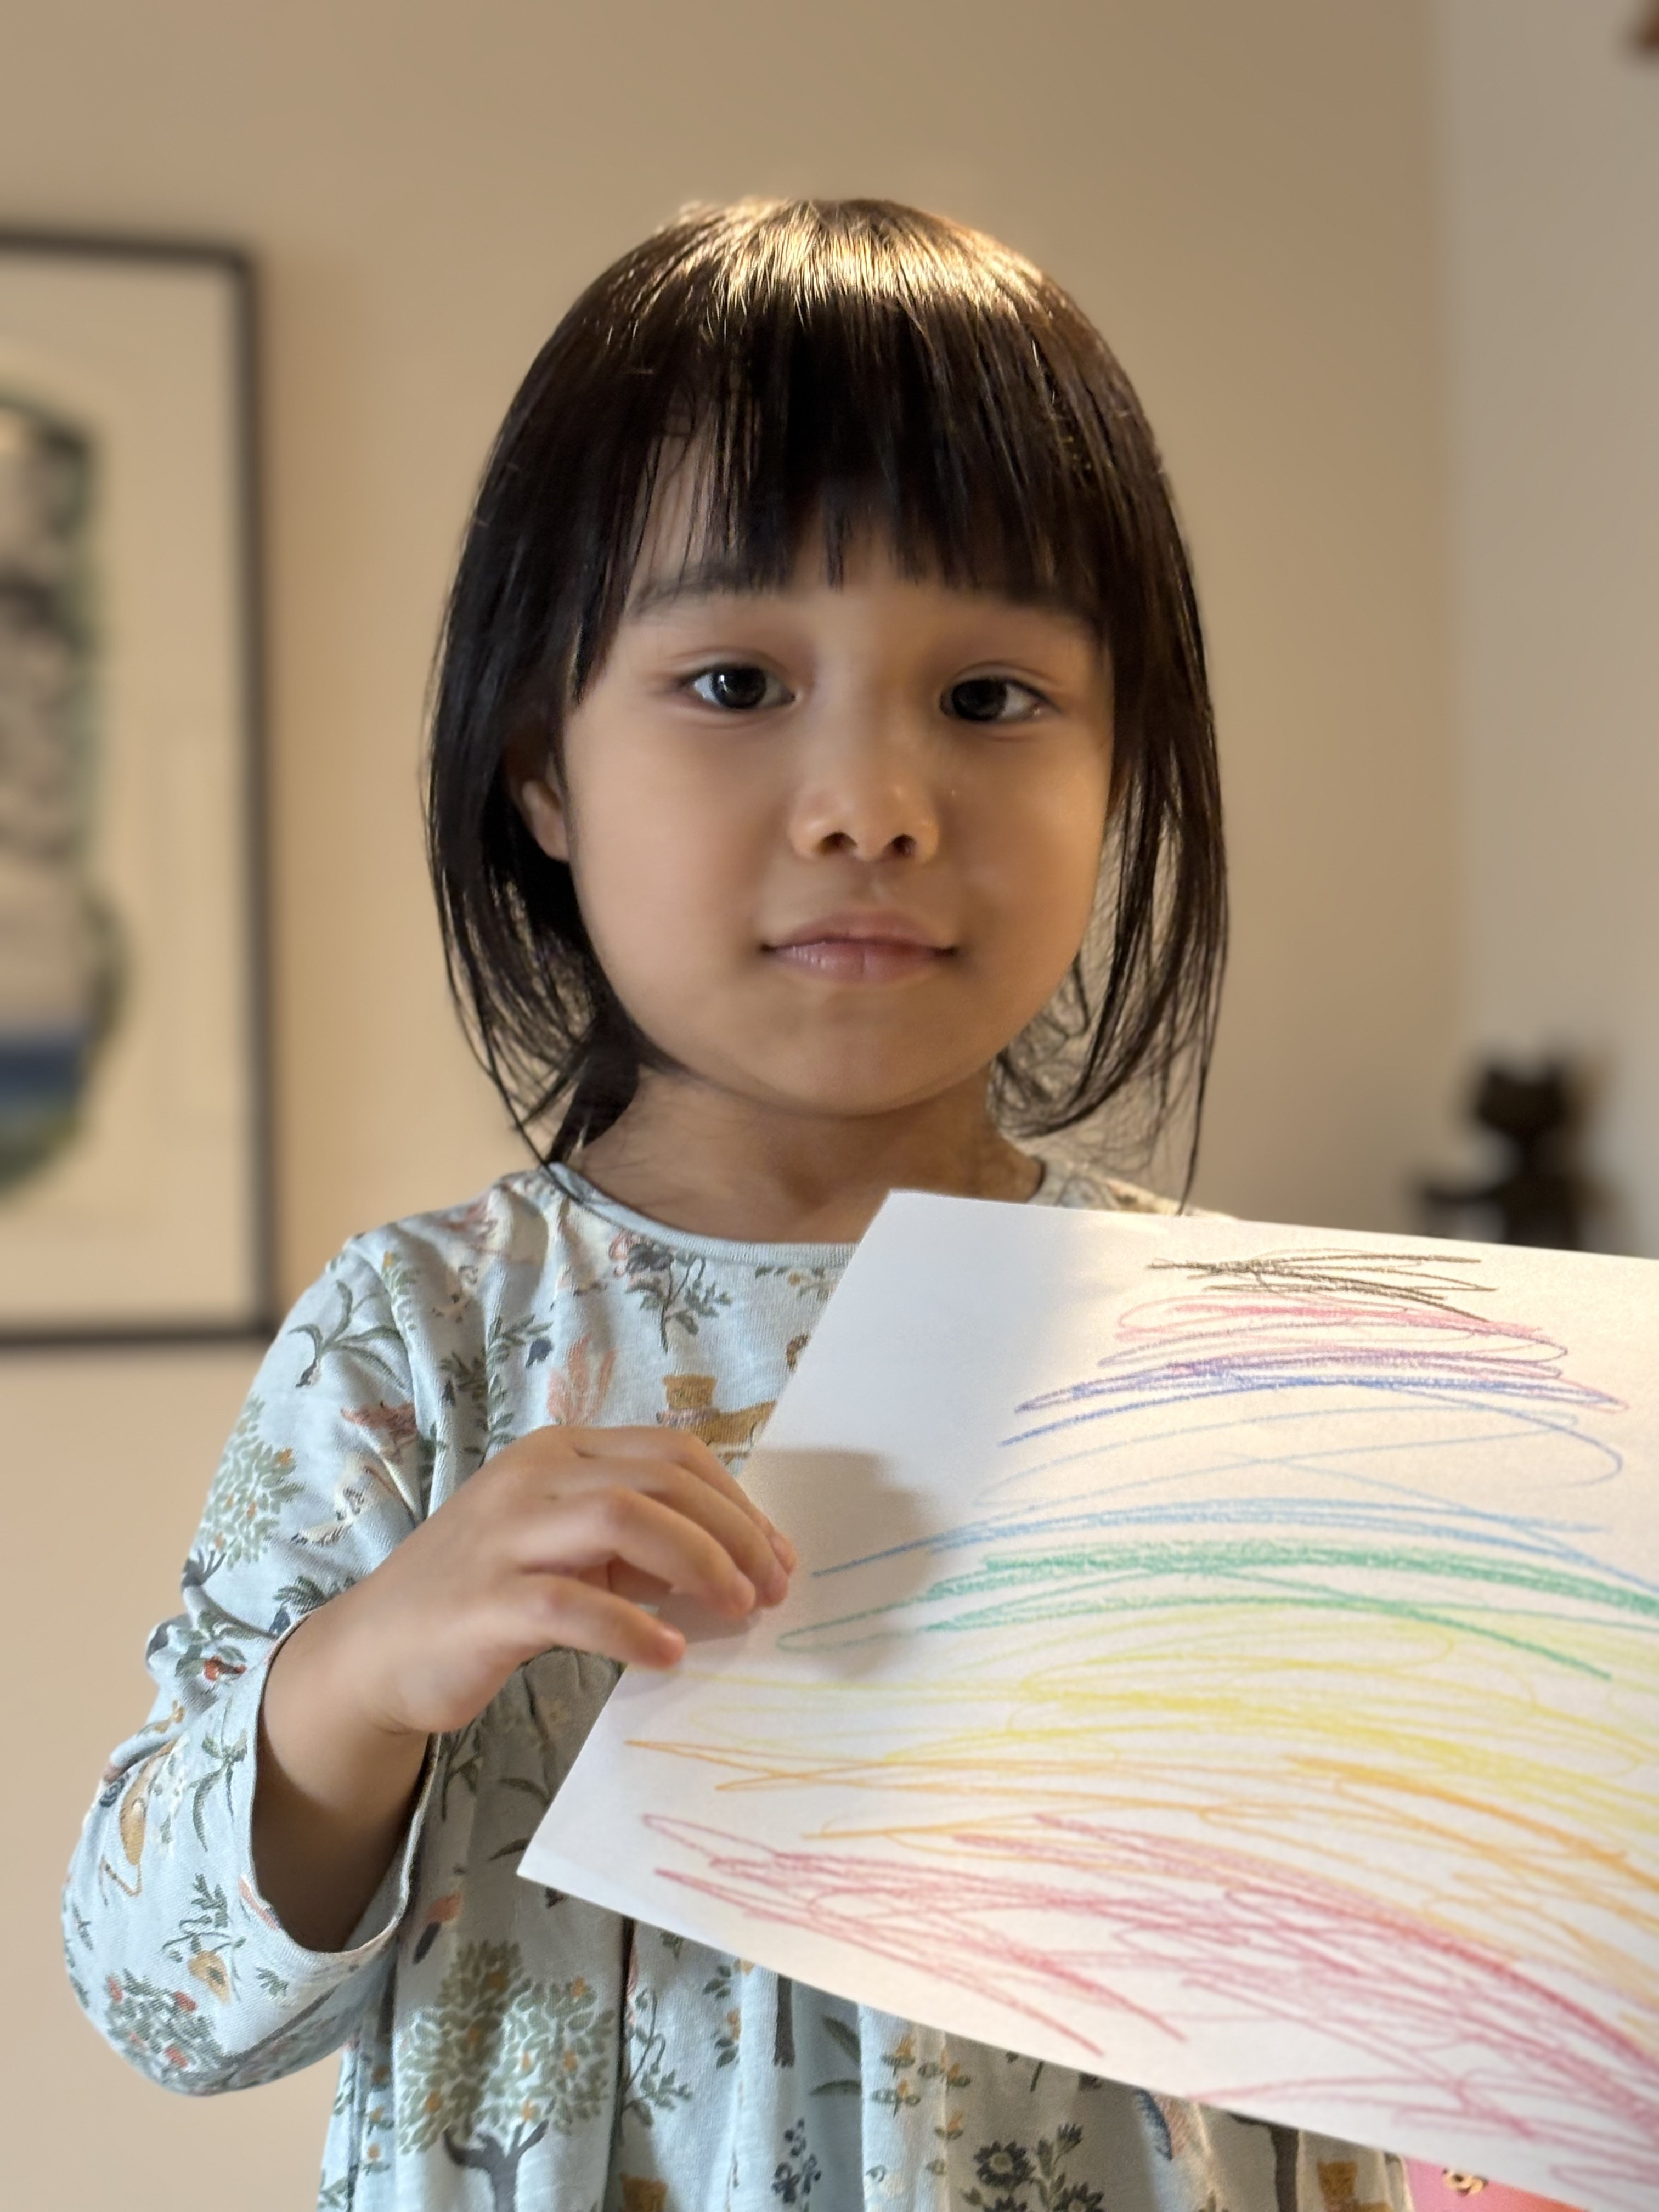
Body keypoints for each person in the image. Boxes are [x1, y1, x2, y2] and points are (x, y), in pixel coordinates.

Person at [64, 199, 1412, 2212]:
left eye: (990, 698)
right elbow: (160, 1996)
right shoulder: (424, 1341)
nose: (873, 805)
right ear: (541, 770)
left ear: (1122, 767)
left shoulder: (1229, 1356)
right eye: (733, 681)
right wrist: (368, 1667)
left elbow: (1390, 1991)